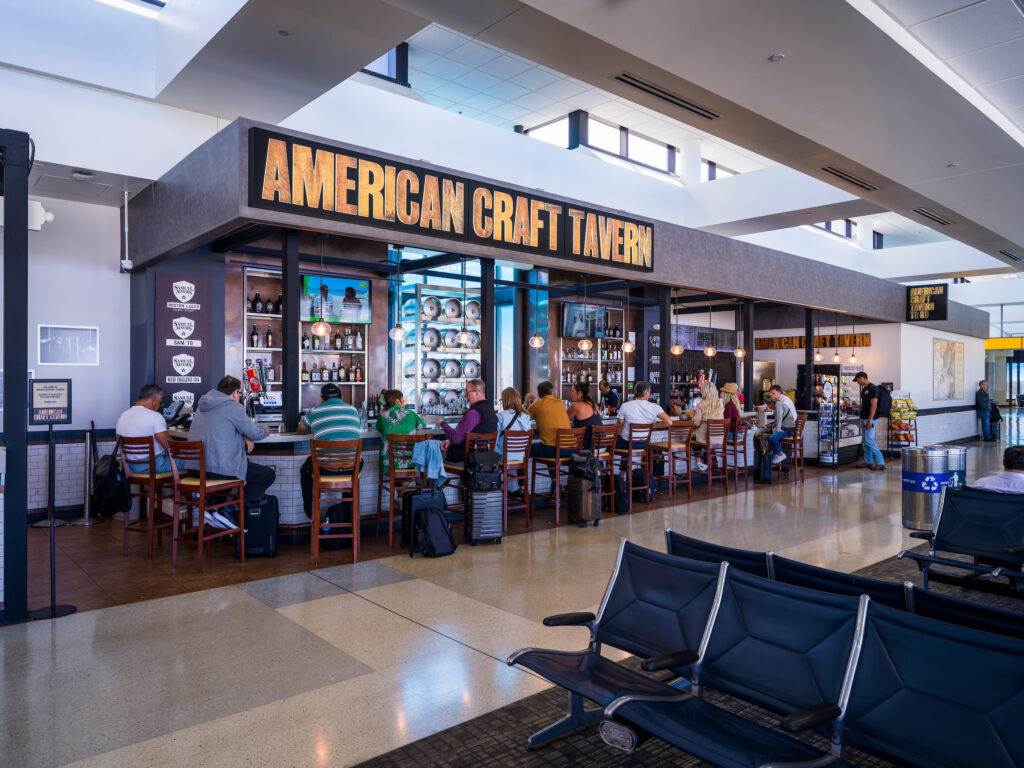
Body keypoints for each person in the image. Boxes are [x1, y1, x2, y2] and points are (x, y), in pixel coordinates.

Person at [188, 376, 275, 523]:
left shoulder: (203, 404)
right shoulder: (233, 406)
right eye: (239, 393)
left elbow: (220, 428)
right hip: (216, 470)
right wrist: (266, 429)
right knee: (266, 475)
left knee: (231, 468)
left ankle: (213, 508)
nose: (239, 397)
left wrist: (242, 435)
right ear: (235, 392)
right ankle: (228, 509)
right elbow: (255, 433)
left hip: (194, 468)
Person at [296, 382, 362, 518]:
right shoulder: (354, 410)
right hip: (351, 468)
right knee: (356, 464)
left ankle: (313, 515)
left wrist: (314, 426)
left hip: (325, 469)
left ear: (321, 398)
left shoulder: (314, 411)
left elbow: (300, 431)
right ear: (342, 397)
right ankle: (347, 513)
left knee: (305, 470)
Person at [116, 384, 178, 474]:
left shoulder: (123, 415)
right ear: (153, 400)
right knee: (195, 462)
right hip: (154, 465)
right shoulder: (155, 416)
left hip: (131, 466)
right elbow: (170, 448)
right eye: (160, 403)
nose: (158, 407)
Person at [441, 378, 497, 463]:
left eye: (467, 392)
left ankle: (422, 475)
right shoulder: (490, 409)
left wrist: (443, 424)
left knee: (429, 450)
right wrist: (449, 441)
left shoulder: (473, 413)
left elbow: (456, 439)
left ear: (477, 392)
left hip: (466, 459)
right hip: (485, 458)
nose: (465, 396)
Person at [375, 389, 426, 475]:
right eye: (402, 399)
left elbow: (379, 429)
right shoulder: (411, 414)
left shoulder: (381, 415)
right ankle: (405, 486)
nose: (404, 401)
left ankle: (399, 487)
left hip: (389, 462)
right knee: (414, 469)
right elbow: (418, 436)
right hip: (410, 460)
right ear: (397, 401)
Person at [615, 380, 672, 451]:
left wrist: (616, 434)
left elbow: (619, 425)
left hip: (627, 442)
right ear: (647, 393)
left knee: (606, 445)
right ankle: (627, 461)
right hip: (644, 444)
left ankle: (624, 461)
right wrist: (652, 425)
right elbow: (669, 422)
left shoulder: (625, 406)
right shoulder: (655, 407)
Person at [526, 381, 572, 458]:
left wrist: (526, 403)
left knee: (524, 449)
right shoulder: (560, 402)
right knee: (546, 444)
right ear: (551, 391)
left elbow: (523, 419)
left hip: (552, 449)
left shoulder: (537, 405)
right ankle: (554, 469)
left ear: (539, 393)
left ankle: (520, 470)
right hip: (570, 448)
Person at [853, 371, 885, 471]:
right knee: (865, 441)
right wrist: (852, 406)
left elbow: (874, 405)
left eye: (857, 380)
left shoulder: (873, 388)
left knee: (869, 440)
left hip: (870, 419)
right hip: (864, 417)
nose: (857, 382)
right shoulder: (864, 390)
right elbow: (865, 405)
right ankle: (868, 462)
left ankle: (880, 462)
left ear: (861, 378)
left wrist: (870, 420)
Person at [765, 384, 797, 466]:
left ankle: (779, 454)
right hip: (790, 427)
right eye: (771, 394)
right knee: (771, 434)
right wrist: (773, 425)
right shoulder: (782, 400)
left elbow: (779, 419)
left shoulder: (780, 402)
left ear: (779, 392)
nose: (772, 395)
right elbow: (781, 418)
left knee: (772, 437)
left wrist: (777, 428)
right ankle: (778, 457)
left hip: (789, 429)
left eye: (773, 393)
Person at [567, 382, 603, 448]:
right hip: (602, 446)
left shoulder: (576, 406)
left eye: (572, 391)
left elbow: (564, 418)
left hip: (588, 449)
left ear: (579, 393)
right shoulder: (595, 405)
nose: (571, 393)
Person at [496, 387, 531, 455]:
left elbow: (495, 440)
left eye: (501, 400)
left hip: (503, 457)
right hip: (521, 457)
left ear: (505, 400)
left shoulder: (501, 416)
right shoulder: (526, 417)